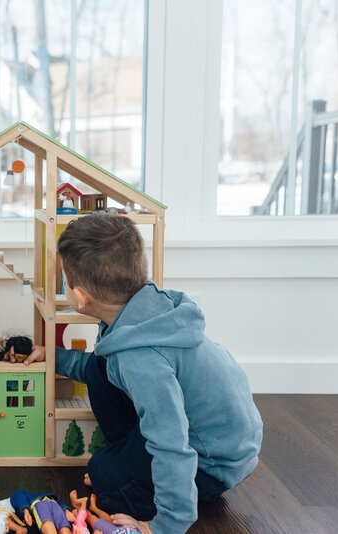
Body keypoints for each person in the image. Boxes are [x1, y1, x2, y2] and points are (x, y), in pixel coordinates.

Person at [21, 214, 263, 534]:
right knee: (102, 369)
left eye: (63, 280)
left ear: (80, 297)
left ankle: (131, 481)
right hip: (212, 432)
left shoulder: (142, 359)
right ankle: (124, 467)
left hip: (209, 464)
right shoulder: (143, 309)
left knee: (102, 479)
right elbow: (103, 369)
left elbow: (171, 443)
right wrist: (55, 358)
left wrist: (164, 526)